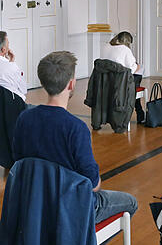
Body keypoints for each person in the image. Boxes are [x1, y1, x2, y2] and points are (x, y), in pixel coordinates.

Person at [12, 51, 138, 222]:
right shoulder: (76, 128)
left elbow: (19, 164)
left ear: (43, 83)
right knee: (131, 202)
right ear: (71, 84)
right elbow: (93, 185)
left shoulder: (23, 119)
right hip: (70, 206)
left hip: (34, 202)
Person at [100, 31, 144, 123]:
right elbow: (131, 69)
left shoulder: (106, 47)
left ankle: (140, 111)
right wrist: (137, 66)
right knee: (139, 72)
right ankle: (139, 112)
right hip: (120, 83)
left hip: (106, 81)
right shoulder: (125, 49)